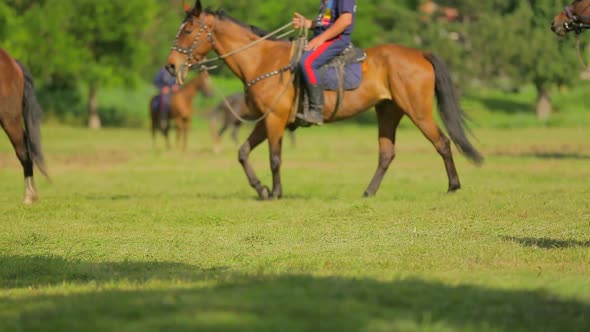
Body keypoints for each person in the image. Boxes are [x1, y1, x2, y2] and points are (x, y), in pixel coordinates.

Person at [293, 0, 357, 125]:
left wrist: (320, 39)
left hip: (336, 39)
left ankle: (316, 110)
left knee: (307, 62)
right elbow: (326, 22)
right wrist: (307, 23)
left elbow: (345, 20)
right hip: (325, 37)